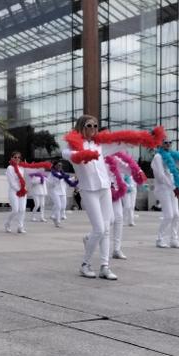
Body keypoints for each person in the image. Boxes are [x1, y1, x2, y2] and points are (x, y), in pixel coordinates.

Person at [62, 115, 162, 280]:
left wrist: (145, 139)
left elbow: (122, 143)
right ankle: (85, 264)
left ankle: (104, 266)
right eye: (89, 125)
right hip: (88, 190)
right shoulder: (71, 146)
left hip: (105, 189)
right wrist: (83, 155)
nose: (93, 128)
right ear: (81, 126)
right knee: (99, 229)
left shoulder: (100, 145)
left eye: (96, 125)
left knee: (107, 229)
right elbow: (70, 155)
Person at [105, 150, 147, 260]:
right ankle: (90, 239)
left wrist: (137, 171)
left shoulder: (114, 157)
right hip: (102, 191)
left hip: (114, 191)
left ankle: (116, 249)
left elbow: (125, 167)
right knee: (109, 220)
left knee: (119, 218)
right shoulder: (97, 153)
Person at [4, 152, 51, 233]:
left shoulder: (22, 167)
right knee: (15, 210)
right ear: (11, 158)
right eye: (15, 157)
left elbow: (33, 171)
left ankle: (20, 227)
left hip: (23, 191)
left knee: (22, 210)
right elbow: (12, 182)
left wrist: (44, 165)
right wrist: (20, 189)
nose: (17, 159)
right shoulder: (10, 168)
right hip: (14, 191)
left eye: (19, 157)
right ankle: (7, 223)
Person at [47, 160, 78, 227]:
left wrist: (76, 179)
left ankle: (54, 217)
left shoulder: (62, 174)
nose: (60, 166)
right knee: (58, 206)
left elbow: (68, 180)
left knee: (63, 206)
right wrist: (57, 180)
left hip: (62, 192)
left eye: (61, 165)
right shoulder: (52, 174)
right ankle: (57, 221)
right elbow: (49, 183)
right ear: (55, 166)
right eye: (58, 165)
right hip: (54, 191)